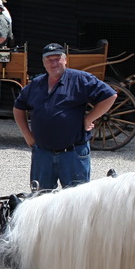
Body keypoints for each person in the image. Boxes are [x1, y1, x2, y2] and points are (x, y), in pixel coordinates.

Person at [13, 43, 117, 190]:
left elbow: (110, 95)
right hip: (43, 154)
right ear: (43, 62)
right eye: (49, 59)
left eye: (57, 58)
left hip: (73, 154)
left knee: (76, 203)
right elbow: (18, 107)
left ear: (65, 60)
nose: (54, 63)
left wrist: (89, 118)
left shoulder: (80, 79)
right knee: (40, 201)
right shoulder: (36, 84)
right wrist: (27, 135)